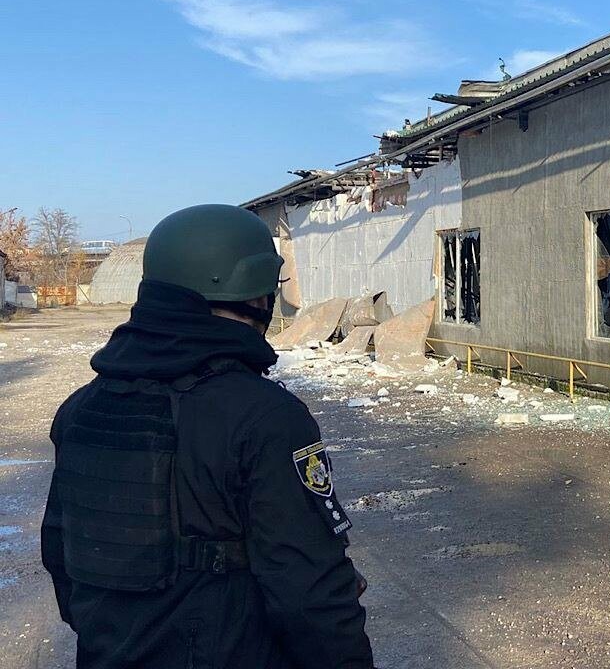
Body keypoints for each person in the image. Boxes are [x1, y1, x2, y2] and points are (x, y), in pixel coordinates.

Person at [41, 204, 374, 669]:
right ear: (256, 296)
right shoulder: (266, 417)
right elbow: (309, 592)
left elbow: (61, 554)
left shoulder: (82, 408)